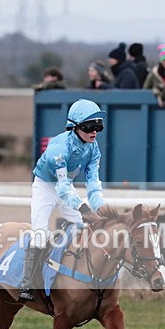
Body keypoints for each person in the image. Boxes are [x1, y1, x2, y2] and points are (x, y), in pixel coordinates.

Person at [18, 99, 107, 302]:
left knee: (85, 226)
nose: (95, 131)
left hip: (66, 187)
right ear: (75, 127)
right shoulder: (58, 148)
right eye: (90, 126)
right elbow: (62, 187)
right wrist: (83, 207)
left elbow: (94, 185)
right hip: (46, 187)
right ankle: (27, 284)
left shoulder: (93, 149)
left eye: (98, 126)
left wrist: (101, 209)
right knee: (41, 233)